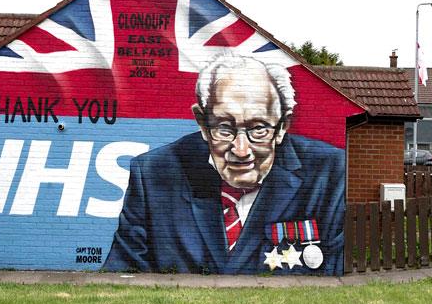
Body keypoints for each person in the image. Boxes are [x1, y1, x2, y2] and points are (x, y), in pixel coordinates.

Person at [103, 53, 346, 275]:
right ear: (202, 123)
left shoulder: (329, 173)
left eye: (258, 128)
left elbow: (333, 282)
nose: (241, 151)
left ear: (282, 126)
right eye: (224, 128)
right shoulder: (153, 174)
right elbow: (122, 277)